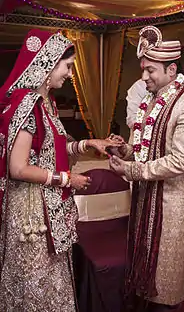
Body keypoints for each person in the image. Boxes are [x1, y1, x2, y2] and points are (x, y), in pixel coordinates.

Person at [0, 28, 121, 311]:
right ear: (48, 62)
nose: (69, 74)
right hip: (31, 212)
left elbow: (55, 149)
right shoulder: (27, 107)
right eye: (67, 67)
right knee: (34, 280)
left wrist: (90, 143)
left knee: (52, 278)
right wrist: (68, 179)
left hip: (48, 205)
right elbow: (18, 168)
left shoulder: (47, 104)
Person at [109, 25, 184, 311]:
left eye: (150, 70)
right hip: (145, 205)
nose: (144, 76)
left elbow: (182, 160)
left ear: (171, 69)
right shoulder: (148, 101)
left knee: (165, 286)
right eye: (143, 69)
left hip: (171, 209)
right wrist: (125, 151)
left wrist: (133, 171)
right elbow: (145, 149)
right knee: (144, 281)